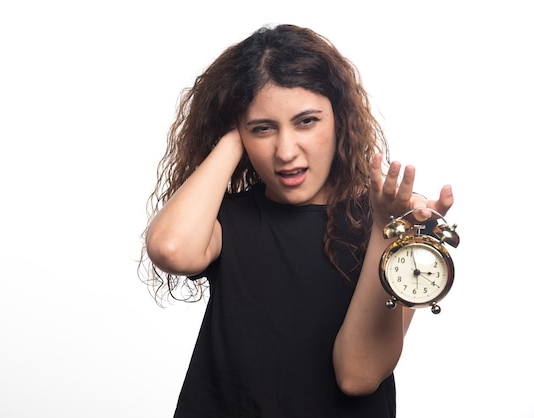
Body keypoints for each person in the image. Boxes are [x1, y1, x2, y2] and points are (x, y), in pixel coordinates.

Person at [138, 23, 454, 418]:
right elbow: (171, 249)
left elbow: (357, 375)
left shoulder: (393, 222)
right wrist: (235, 130)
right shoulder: (226, 219)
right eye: (263, 129)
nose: (286, 152)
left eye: (306, 121)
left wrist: (385, 228)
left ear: (340, 120)